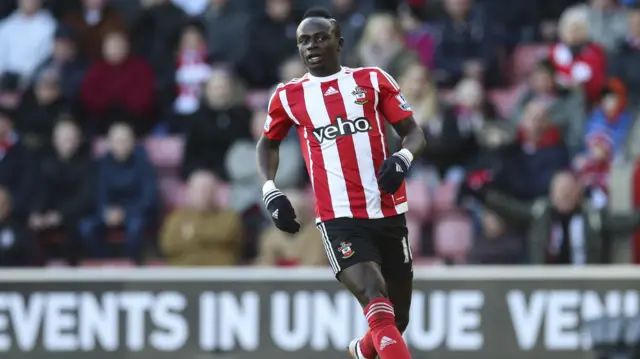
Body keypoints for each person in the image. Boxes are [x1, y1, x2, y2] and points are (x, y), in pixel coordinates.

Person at [255, 8, 426, 359]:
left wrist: (402, 159)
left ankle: (363, 351)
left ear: (340, 42)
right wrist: (270, 190)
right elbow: (268, 142)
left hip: (389, 211)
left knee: (398, 318)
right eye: (304, 40)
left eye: (320, 38)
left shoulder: (373, 80)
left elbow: (413, 133)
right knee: (375, 298)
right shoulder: (288, 96)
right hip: (340, 219)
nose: (312, 46)